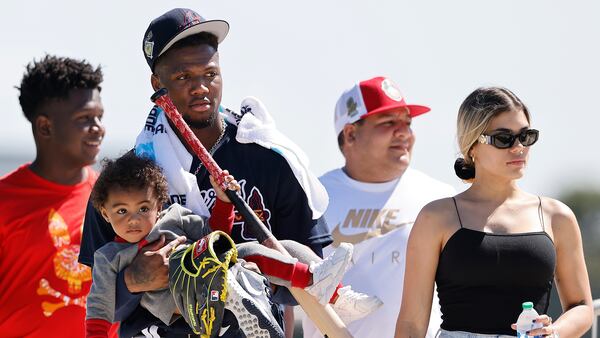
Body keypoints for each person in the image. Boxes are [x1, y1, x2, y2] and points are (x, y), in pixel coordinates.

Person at [78, 8, 372, 337]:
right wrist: (133, 280)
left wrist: (249, 278)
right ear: (156, 82)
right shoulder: (126, 181)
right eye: (183, 77)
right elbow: (96, 300)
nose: (201, 87)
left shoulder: (271, 157)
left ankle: (340, 294)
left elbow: (300, 287)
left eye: (210, 73)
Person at [84, 153, 359, 337]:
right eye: (121, 212)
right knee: (233, 260)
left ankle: (331, 290)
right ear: (105, 213)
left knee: (275, 250)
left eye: (143, 208)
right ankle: (241, 297)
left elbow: (216, 235)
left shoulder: (175, 218)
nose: (134, 219)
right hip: (183, 307)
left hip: (211, 270)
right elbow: (99, 309)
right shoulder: (109, 257)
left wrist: (224, 202)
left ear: (159, 204)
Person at [394, 87, 594, 338]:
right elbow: (411, 324)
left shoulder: (557, 216)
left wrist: (554, 331)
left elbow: (582, 306)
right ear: (472, 146)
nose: (519, 146)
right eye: (503, 138)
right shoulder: (436, 218)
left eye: (526, 136)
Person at [302, 76, 455, 338]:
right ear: (350, 134)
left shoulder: (441, 199)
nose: (404, 132)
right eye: (388, 123)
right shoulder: (312, 199)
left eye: (407, 123)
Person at [0, 55, 105, 337]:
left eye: (99, 117)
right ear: (45, 127)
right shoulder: (4, 204)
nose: (98, 128)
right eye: (84, 118)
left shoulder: (114, 200)